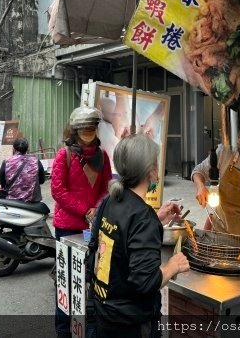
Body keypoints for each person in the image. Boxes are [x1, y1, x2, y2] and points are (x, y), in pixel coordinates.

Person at [89, 134, 190, 338]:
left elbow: (95, 248)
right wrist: (173, 265)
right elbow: (145, 283)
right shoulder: (142, 218)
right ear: (151, 171)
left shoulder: (111, 200)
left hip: (103, 312)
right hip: (130, 324)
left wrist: (156, 217)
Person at [51, 106, 112, 338]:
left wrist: (96, 208)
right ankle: (63, 330)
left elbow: (107, 186)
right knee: (67, 281)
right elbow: (58, 191)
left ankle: (87, 328)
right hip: (67, 227)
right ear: (75, 130)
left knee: (91, 280)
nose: (88, 131)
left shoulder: (103, 156)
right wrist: (85, 210)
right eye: (84, 127)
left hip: (92, 228)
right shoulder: (63, 155)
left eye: (92, 127)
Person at [0, 137, 44, 203]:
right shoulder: (36, 161)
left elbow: (2, 183)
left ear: (14, 148)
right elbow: (42, 180)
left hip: (11, 201)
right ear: (27, 149)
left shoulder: (6, 162)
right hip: (32, 202)